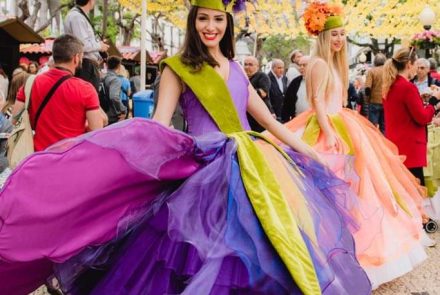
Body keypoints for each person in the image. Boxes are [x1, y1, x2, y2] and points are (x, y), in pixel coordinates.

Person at [0, 2, 372, 295]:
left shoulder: (238, 69)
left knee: (266, 248)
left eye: (218, 20)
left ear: (227, 25)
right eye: (203, 19)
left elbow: (271, 123)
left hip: (254, 168)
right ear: (193, 22)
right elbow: (160, 123)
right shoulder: (176, 68)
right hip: (202, 171)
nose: (211, 27)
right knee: (200, 254)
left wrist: (311, 153)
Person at [279, 2, 430, 289]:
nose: (339, 39)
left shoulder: (332, 63)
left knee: (358, 190)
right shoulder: (320, 63)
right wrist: (329, 131)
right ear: (323, 37)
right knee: (336, 190)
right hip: (329, 127)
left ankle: (352, 255)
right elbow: (317, 102)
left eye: (342, 34)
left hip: (342, 124)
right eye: (334, 34)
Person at [11, 34, 105, 151]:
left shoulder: (31, 83)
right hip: (70, 159)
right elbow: (96, 131)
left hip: (39, 158)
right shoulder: (86, 89)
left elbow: (15, 120)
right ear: (76, 58)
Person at [383, 48, 440, 186]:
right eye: (416, 64)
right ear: (409, 64)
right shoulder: (408, 87)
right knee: (415, 193)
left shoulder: (390, 85)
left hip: (396, 145)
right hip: (411, 149)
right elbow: (423, 117)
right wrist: (434, 101)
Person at [64, 0, 109, 91]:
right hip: (85, 64)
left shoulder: (77, 15)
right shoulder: (77, 17)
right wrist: (100, 46)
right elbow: (82, 45)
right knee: (88, 99)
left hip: (84, 63)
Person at [243, 55, 274, 131]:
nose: (247, 67)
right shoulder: (243, 77)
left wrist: (244, 93)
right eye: (245, 64)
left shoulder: (262, 76)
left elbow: (263, 93)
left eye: (250, 64)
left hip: (260, 116)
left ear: (257, 66)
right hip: (247, 116)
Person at [282, 55, 310, 122]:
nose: (301, 67)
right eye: (300, 65)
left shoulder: (320, 81)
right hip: (297, 121)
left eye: (304, 65)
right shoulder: (295, 82)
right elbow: (287, 103)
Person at [101, 56, 127, 124]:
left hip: (101, 112)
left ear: (107, 65)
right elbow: (114, 96)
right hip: (112, 115)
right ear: (118, 66)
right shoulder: (115, 80)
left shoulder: (101, 77)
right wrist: (123, 109)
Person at [365, 53, 386, 133]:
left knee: (372, 128)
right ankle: (384, 143)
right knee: (384, 127)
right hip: (385, 101)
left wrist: (367, 99)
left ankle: (375, 144)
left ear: (375, 61)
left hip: (374, 102)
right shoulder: (388, 71)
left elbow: (367, 88)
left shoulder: (371, 71)